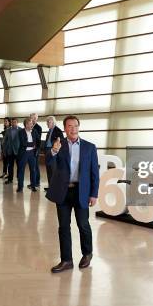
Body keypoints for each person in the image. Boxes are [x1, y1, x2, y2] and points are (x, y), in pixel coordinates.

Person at [46, 115, 99, 273]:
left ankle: (87, 254)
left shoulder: (89, 147)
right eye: (69, 126)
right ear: (65, 129)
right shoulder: (58, 145)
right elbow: (49, 161)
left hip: (81, 192)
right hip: (62, 192)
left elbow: (94, 173)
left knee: (83, 224)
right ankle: (66, 260)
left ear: (79, 127)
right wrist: (53, 151)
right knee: (63, 227)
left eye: (75, 126)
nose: (73, 129)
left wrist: (94, 194)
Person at [17, 118, 39, 192]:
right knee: (21, 170)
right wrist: (32, 145)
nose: (32, 125)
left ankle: (33, 186)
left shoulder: (35, 131)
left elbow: (38, 141)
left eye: (32, 123)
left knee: (33, 170)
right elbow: (23, 143)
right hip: (23, 154)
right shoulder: (21, 132)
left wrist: (35, 148)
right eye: (30, 124)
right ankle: (20, 187)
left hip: (32, 154)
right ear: (26, 125)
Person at [44, 116, 64, 191]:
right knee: (48, 170)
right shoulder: (49, 131)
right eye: (47, 122)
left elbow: (60, 143)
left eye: (48, 122)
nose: (47, 124)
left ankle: (54, 188)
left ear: (53, 122)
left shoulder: (58, 131)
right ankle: (50, 187)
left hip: (54, 153)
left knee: (53, 171)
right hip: (48, 151)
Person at [2, 118, 20, 185]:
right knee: (10, 166)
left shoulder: (21, 130)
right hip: (10, 151)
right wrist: (4, 150)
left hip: (18, 151)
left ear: (17, 122)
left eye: (15, 122)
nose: (13, 123)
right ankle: (10, 179)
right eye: (12, 122)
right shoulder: (8, 130)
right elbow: (5, 141)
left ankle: (19, 178)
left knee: (19, 166)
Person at [29, 113, 42, 187]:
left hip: (35, 149)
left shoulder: (38, 127)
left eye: (34, 118)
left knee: (35, 166)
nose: (32, 119)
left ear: (36, 119)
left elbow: (38, 139)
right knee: (31, 166)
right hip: (29, 149)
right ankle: (32, 182)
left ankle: (37, 182)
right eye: (31, 118)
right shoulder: (29, 126)